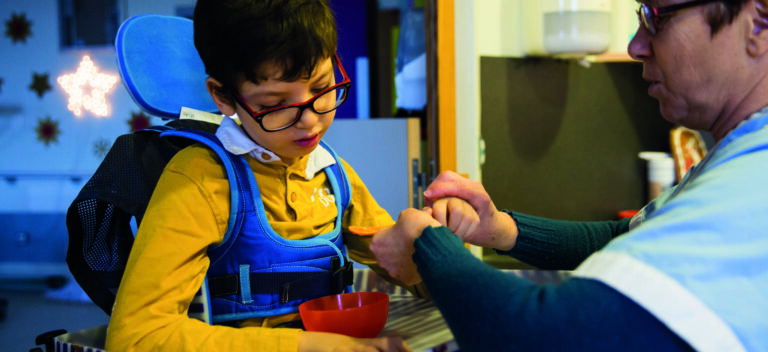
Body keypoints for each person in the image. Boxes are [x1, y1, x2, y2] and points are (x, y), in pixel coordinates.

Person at [370, 0, 768, 350]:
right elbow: (622, 239)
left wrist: (426, 240)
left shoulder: (754, 180)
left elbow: (540, 335)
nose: (635, 44)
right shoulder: (738, 152)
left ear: (758, 20)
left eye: (656, 15)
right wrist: (500, 229)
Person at [105, 1, 419, 351]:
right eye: (274, 104)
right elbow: (137, 337)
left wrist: (431, 248)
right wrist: (309, 346)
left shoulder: (331, 171)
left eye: (321, 87)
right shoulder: (201, 182)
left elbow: (403, 267)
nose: (310, 121)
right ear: (223, 96)